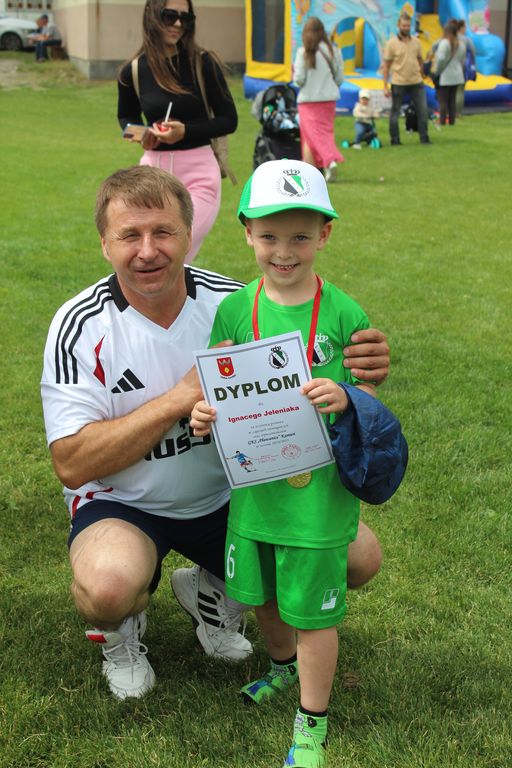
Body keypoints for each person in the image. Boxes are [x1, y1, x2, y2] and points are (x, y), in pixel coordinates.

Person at [40, 165, 391, 703]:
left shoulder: (238, 304)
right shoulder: (81, 325)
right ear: (104, 244)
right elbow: (72, 463)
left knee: (359, 557)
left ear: (190, 233)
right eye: (129, 235)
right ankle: (121, 633)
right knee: (108, 586)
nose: (148, 250)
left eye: (163, 232)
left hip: (232, 494)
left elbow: (320, 354)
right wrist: (180, 398)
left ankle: (213, 591)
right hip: (125, 503)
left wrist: (362, 366)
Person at [190, 159, 396, 768]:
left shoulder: (344, 313)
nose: (284, 251)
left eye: (300, 236)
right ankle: (282, 666)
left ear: (324, 235)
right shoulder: (235, 311)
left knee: (311, 611)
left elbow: (369, 399)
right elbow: (220, 390)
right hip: (256, 489)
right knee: (263, 595)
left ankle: (311, 724)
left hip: (317, 495)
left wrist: (349, 397)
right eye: (270, 236)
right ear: (247, 233)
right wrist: (203, 414)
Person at [117, 0, 237, 264]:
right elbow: (125, 118)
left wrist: (186, 132)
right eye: (170, 16)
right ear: (152, 15)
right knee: (148, 254)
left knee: (176, 248)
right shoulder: (133, 70)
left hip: (199, 173)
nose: (179, 24)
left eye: (186, 17)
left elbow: (229, 120)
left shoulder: (203, 63)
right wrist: (142, 134)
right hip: (152, 174)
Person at [293, 16, 345, 182]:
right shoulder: (333, 51)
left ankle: (327, 162)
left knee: (310, 135)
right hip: (328, 99)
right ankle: (316, 169)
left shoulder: (303, 52)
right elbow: (340, 77)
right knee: (324, 133)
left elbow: (299, 79)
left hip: (308, 100)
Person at [382, 12, 431, 145]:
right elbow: (386, 66)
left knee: (423, 110)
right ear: (398, 25)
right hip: (398, 82)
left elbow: (420, 59)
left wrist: (422, 73)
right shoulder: (391, 43)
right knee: (395, 111)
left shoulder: (416, 42)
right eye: (404, 26)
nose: (406, 28)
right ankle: (395, 139)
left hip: (416, 81)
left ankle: (424, 137)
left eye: (408, 26)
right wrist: (385, 86)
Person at [434, 21, 466, 126]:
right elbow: (462, 60)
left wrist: (437, 71)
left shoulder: (444, 43)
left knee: (443, 101)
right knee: (452, 101)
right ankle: (452, 122)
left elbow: (441, 59)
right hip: (457, 75)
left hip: (445, 75)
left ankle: (442, 122)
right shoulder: (461, 44)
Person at [455, 19, 475, 116]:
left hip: (452, 67)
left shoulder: (452, 38)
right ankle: (458, 112)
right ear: (461, 28)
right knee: (460, 90)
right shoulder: (467, 40)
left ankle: (451, 111)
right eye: (465, 27)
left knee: (453, 90)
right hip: (463, 67)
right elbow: (473, 52)